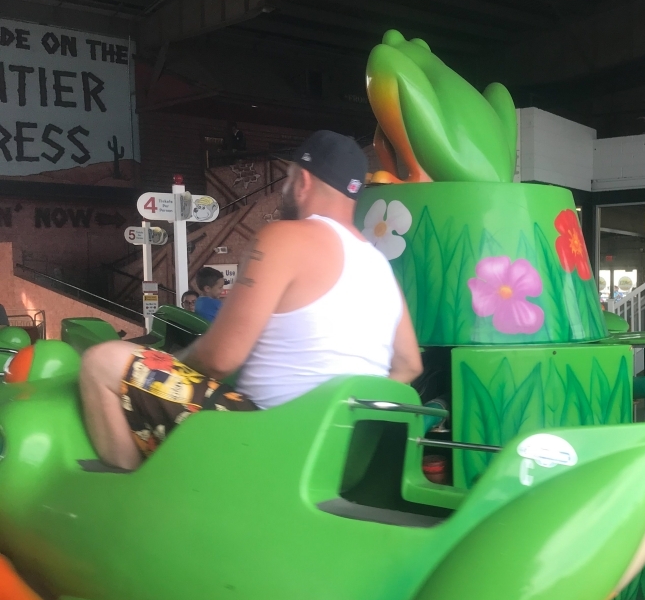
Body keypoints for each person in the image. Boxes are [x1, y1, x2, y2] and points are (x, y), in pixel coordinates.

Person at [79, 130, 423, 470]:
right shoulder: (379, 265)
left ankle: (135, 509)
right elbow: (409, 365)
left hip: (268, 435)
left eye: (286, 180)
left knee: (102, 361)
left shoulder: (284, 236)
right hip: (341, 451)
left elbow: (220, 359)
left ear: (301, 180)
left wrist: (172, 361)